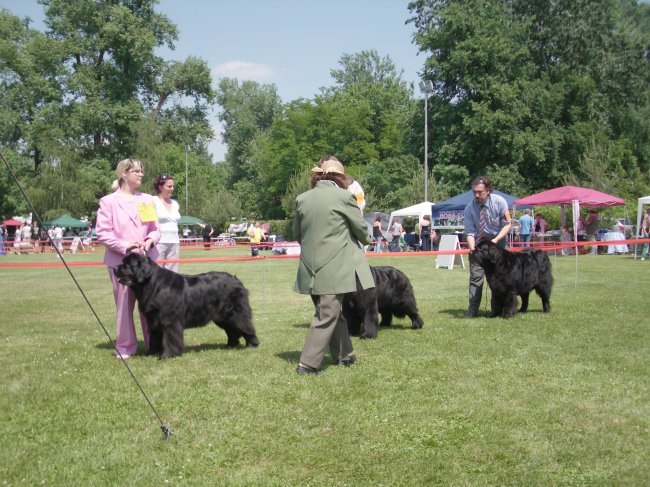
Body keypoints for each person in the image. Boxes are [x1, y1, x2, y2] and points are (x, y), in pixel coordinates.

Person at [293, 158, 374, 375]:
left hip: (309, 269)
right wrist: (366, 237)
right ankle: (307, 365)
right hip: (334, 269)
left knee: (334, 312)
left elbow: (297, 235)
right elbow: (361, 231)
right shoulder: (345, 198)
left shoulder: (302, 199)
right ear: (339, 178)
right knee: (327, 314)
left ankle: (344, 355)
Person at [95, 158, 160, 358]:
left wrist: (149, 240)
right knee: (124, 307)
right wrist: (125, 246)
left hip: (147, 263)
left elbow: (155, 229)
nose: (141, 174)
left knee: (151, 305)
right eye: (137, 171)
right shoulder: (108, 202)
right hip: (120, 263)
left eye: (142, 171)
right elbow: (103, 233)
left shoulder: (147, 200)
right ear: (124, 173)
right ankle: (125, 347)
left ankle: (155, 344)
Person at [463, 176, 512, 317]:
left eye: (480, 192)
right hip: (479, 244)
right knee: (476, 277)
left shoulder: (500, 202)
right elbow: (470, 232)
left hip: (498, 241)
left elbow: (507, 224)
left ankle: (496, 310)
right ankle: (472, 310)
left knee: (498, 278)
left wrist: (495, 241)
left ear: (488, 190)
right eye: (474, 192)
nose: (476, 195)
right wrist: (473, 250)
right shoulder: (469, 208)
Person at [152, 173, 181, 272]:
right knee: (157, 274)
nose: (172, 188)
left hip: (174, 242)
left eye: (173, 186)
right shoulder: (152, 201)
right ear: (160, 187)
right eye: (169, 186)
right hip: (158, 243)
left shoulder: (175, 203)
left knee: (173, 275)